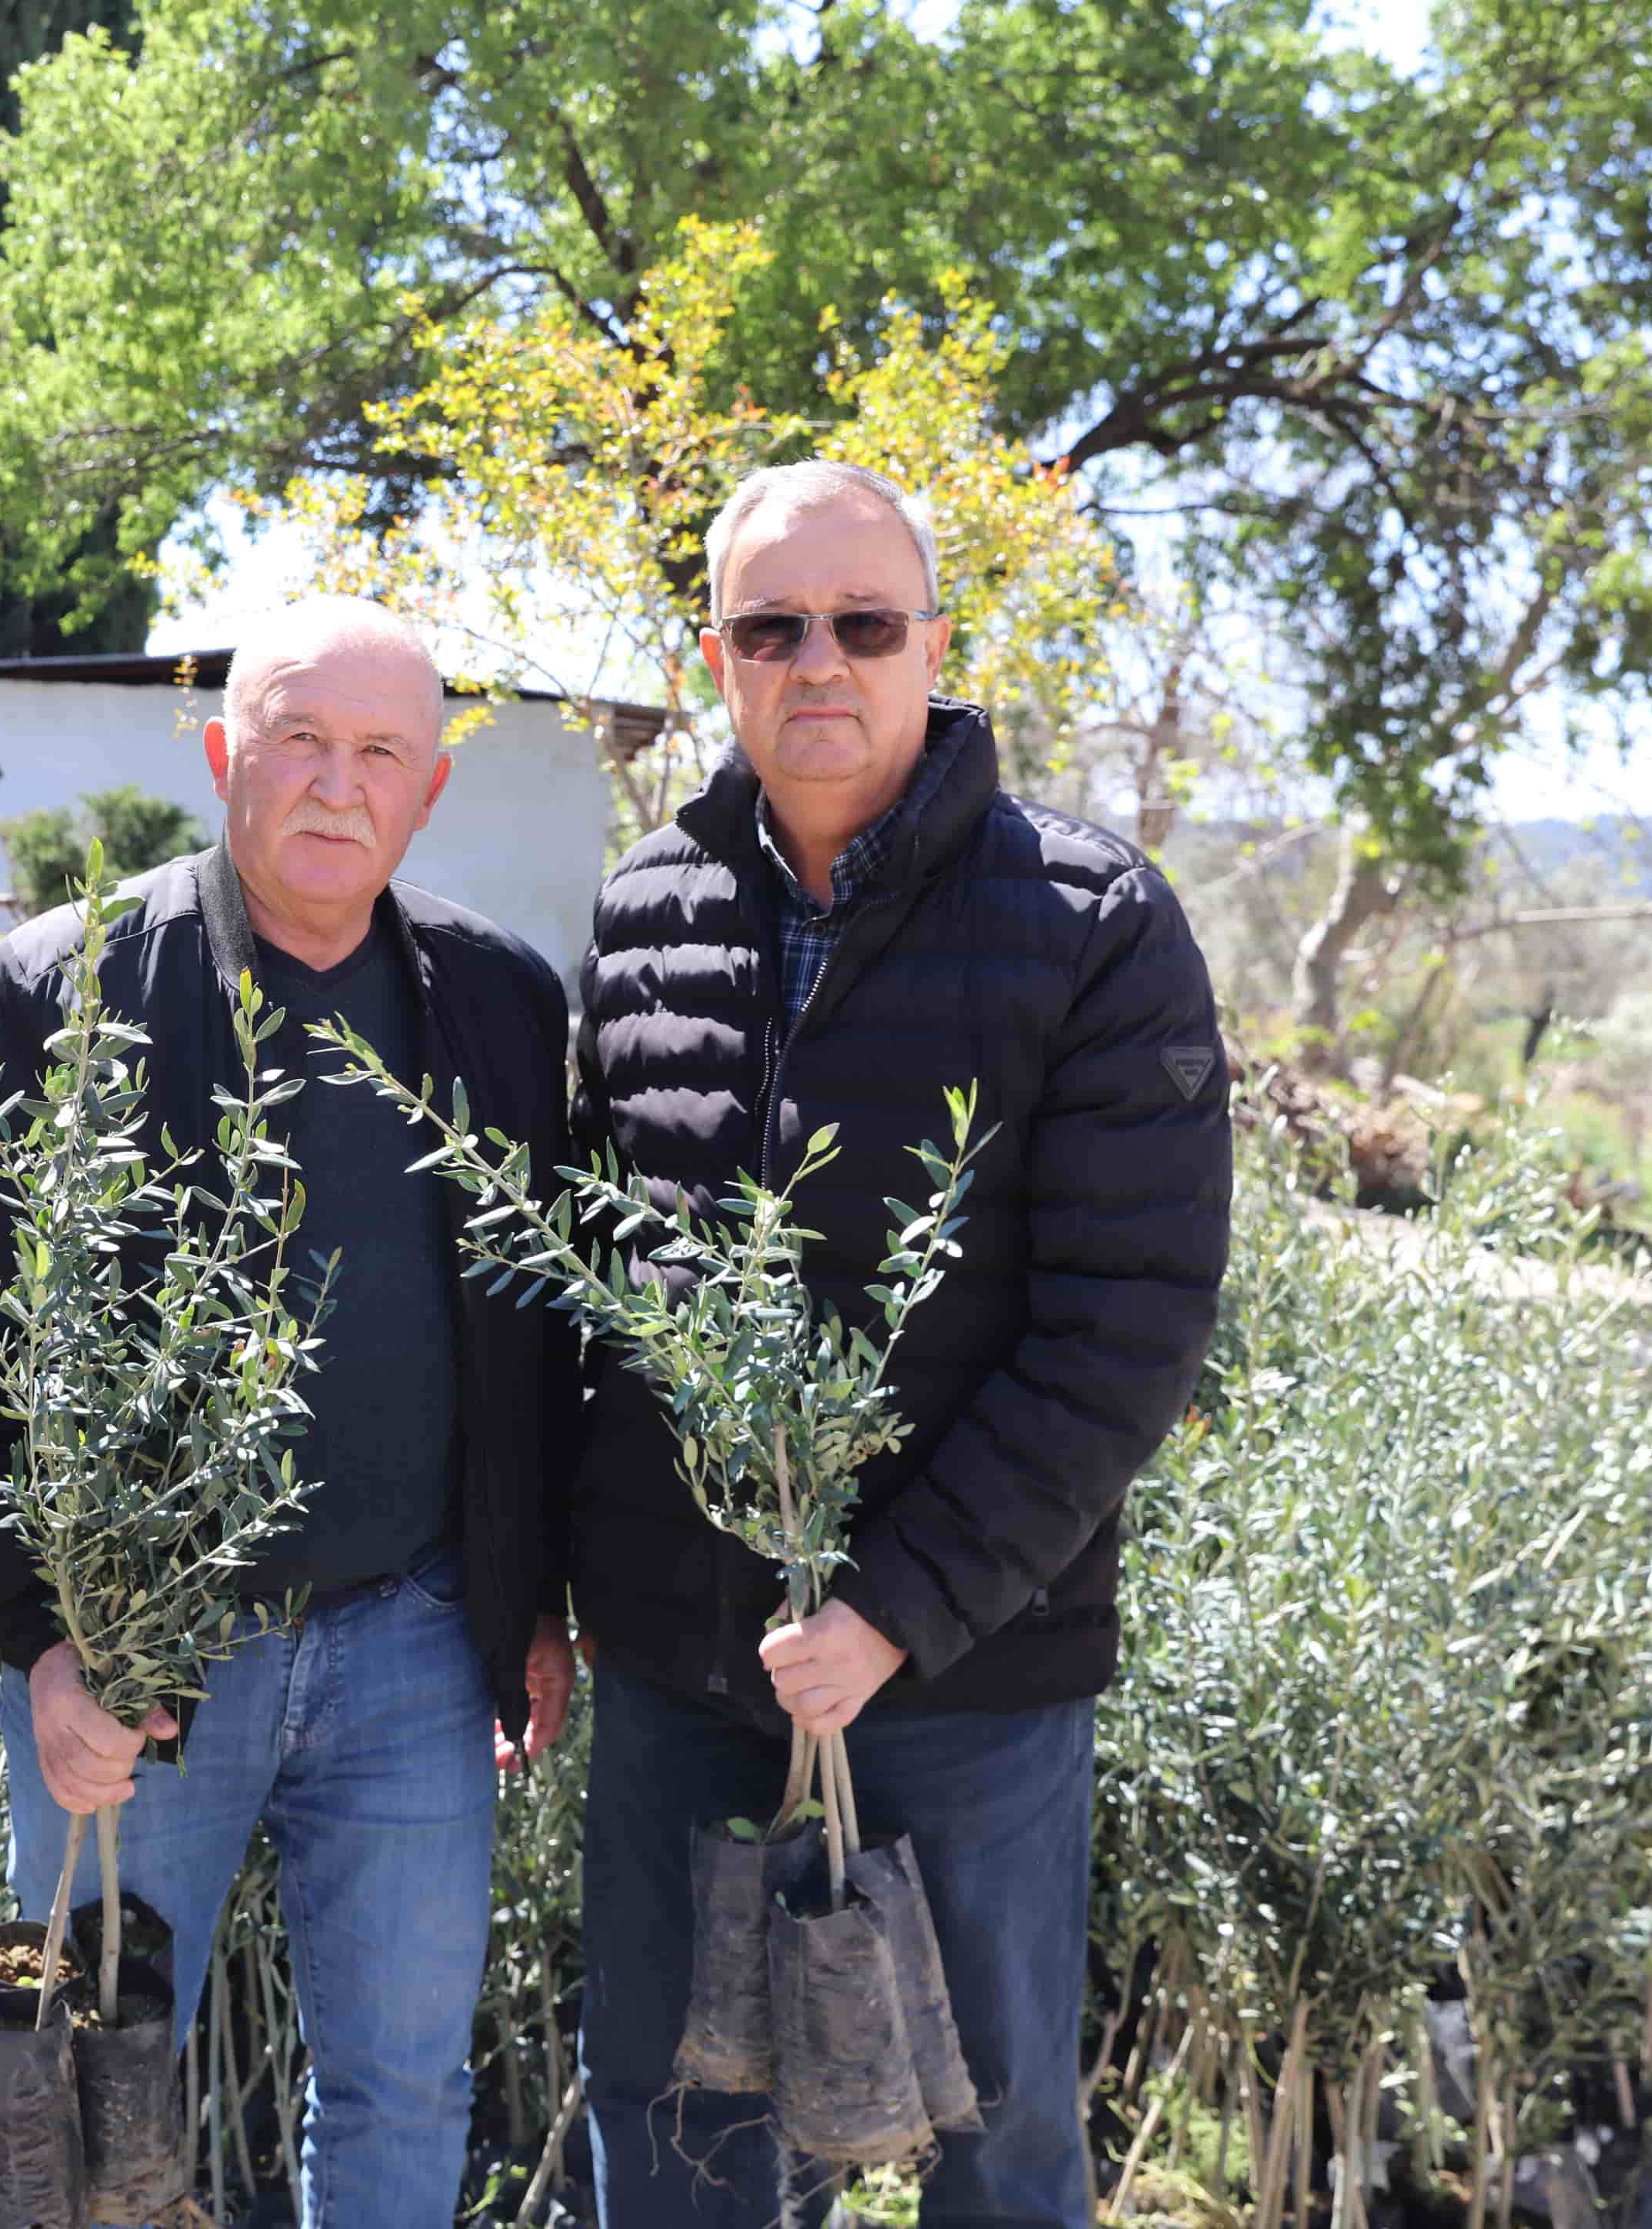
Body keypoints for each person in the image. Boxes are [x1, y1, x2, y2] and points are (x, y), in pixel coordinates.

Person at [568, 463, 1231, 2229]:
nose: (820, 663)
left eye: (865, 624)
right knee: (669, 2124)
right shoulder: (645, 910)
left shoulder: (1091, 922)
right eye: (771, 627)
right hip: (676, 1672)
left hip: (967, 1677)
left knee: (995, 2146)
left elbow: (1128, 1330)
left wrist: (890, 1615)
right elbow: (594, 1282)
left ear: (934, 646)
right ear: (716, 656)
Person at [0, 597, 580, 2227]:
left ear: (428, 794)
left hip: (413, 1647)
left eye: (380, 754)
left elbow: (541, 1339)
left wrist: (524, 1595)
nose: (337, 786)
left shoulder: (496, 1002)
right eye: (299, 741)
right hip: (131, 1666)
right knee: (66, 2077)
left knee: (405, 2084)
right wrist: (39, 1638)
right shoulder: (49, 997)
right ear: (221, 758)